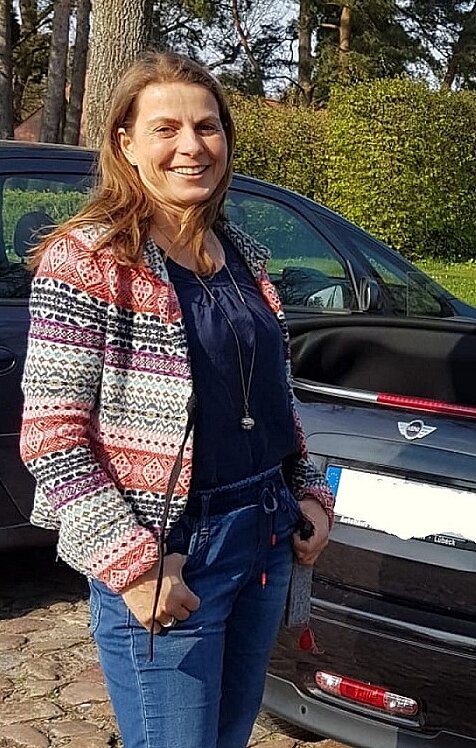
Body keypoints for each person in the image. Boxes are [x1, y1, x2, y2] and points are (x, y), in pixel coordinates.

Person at [19, 51, 334, 748]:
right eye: (166, 128)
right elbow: (53, 438)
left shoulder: (240, 253)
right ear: (126, 144)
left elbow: (271, 397)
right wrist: (132, 566)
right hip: (171, 552)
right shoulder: (90, 259)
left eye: (208, 126)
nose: (192, 146)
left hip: (265, 537)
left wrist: (308, 491)